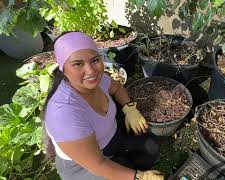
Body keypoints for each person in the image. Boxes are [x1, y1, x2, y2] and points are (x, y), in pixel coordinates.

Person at [43, 31, 164, 180]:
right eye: (78, 64)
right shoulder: (64, 113)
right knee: (120, 172)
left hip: (112, 140)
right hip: (83, 167)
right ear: (63, 68)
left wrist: (129, 109)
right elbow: (98, 164)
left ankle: (120, 164)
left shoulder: (98, 79)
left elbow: (118, 88)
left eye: (94, 60)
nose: (91, 70)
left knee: (151, 150)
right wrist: (139, 176)